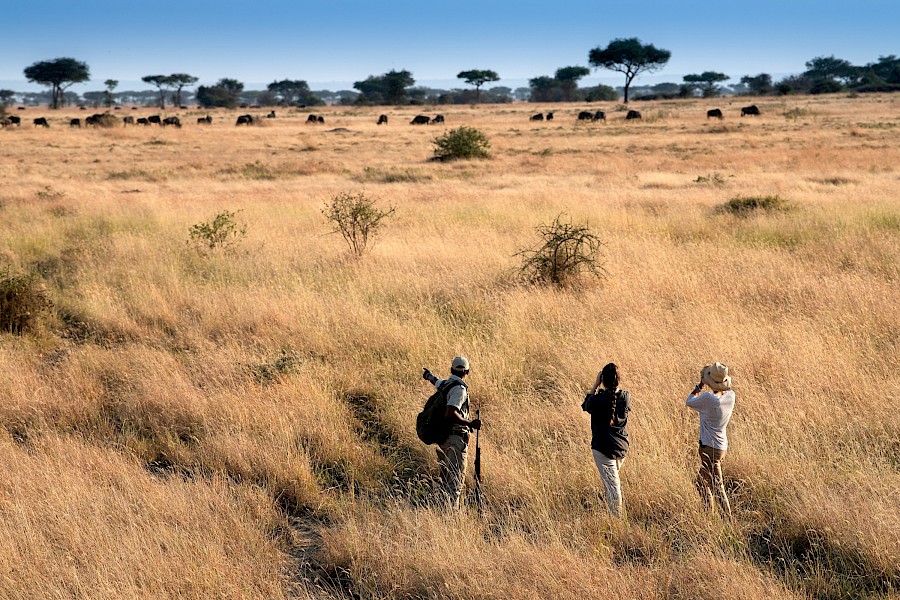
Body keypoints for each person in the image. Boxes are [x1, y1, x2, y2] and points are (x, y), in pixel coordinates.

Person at [422, 356, 481, 510]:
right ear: (467, 372)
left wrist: (429, 375)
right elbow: (450, 412)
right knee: (454, 482)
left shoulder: (447, 384)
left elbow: (436, 381)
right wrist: (470, 423)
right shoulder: (460, 390)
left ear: (451, 370)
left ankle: (439, 509)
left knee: (445, 477)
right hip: (456, 440)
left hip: (444, 438)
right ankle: (449, 517)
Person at [686, 362, 735, 518]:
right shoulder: (731, 397)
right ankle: (709, 513)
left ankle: (727, 520)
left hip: (709, 448)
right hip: (721, 446)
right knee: (703, 482)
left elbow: (689, 400)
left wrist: (700, 386)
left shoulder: (708, 399)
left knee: (716, 485)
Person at [582, 363, 630, 518]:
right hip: (621, 448)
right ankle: (609, 509)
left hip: (603, 448)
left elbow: (586, 405)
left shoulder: (598, 399)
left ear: (603, 379)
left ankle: (617, 521)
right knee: (611, 483)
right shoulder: (626, 396)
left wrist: (595, 384)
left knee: (613, 488)